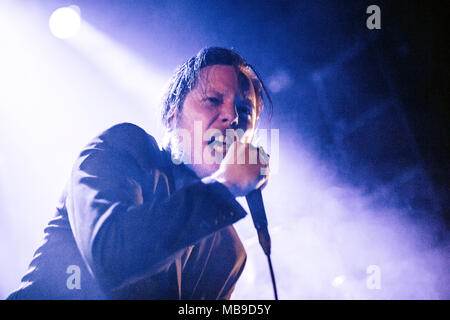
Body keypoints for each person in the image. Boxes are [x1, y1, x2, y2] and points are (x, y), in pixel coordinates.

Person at [7, 47, 271, 300]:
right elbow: (110, 256)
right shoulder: (126, 148)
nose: (232, 117)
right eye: (213, 100)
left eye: (245, 111)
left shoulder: (228, 253)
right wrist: (223, 187)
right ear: (172, 114)